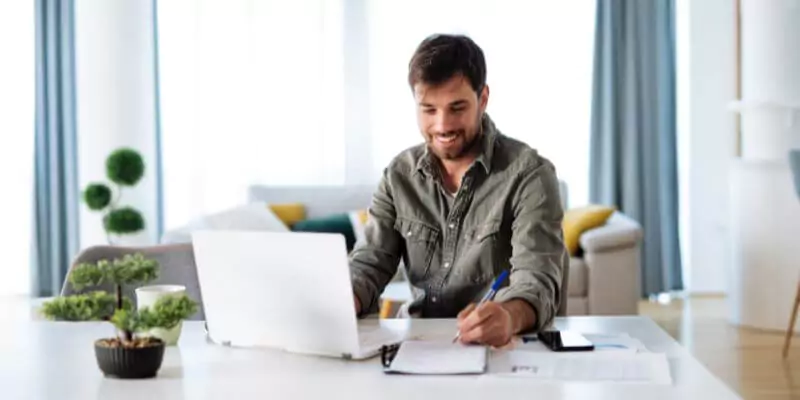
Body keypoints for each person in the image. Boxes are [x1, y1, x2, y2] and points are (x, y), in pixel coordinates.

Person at [349, 33, 567, 347]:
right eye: (428, 109)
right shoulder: (399, 175)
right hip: (417, 346)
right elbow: (369, 263)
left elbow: (537, 282)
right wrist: (346, 299)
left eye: (457, 107)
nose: (442, 125)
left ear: (484, 98)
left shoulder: (530, 175)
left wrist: (507, 316)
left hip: (503, 352)